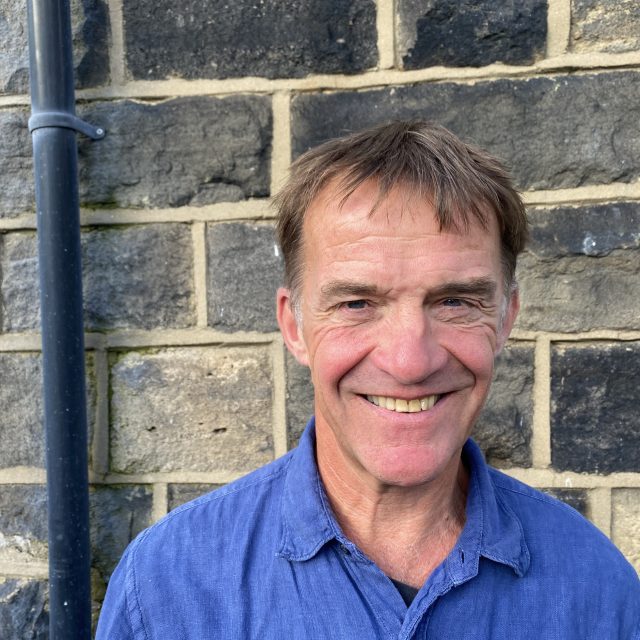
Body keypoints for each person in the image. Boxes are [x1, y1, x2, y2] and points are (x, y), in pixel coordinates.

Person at [96, 121, 640, 639]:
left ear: (505, 317)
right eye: (357, 303)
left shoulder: (598, 589)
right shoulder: (170, 587)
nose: (410, 361)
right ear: (294, 325)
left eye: (455, 301)